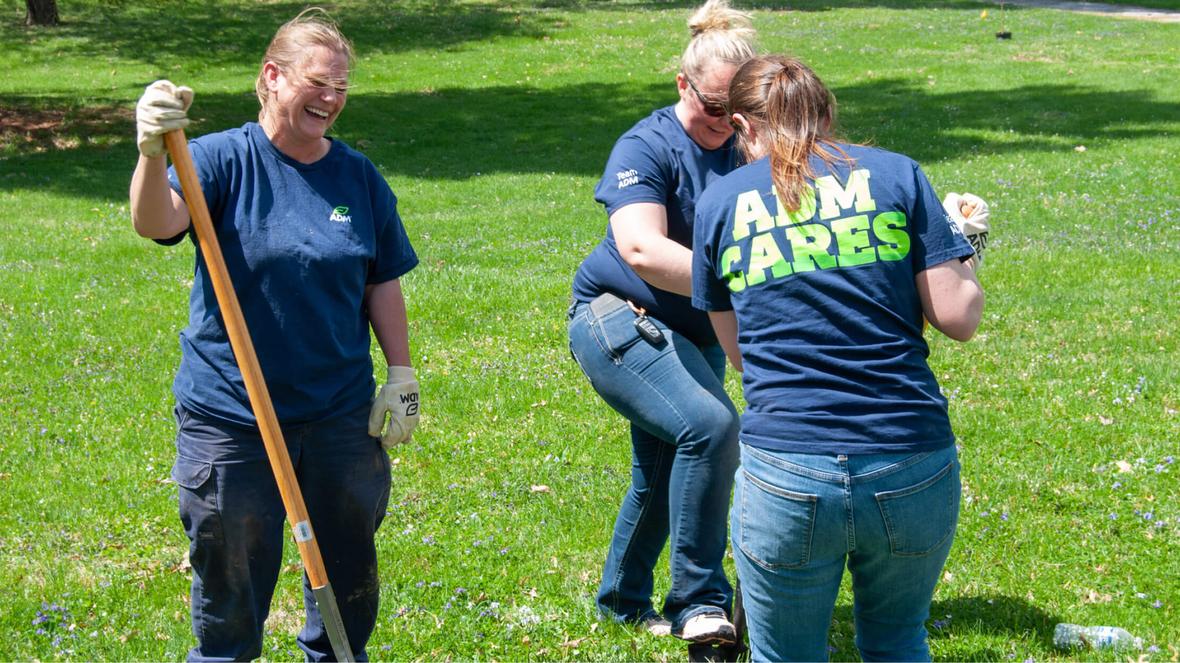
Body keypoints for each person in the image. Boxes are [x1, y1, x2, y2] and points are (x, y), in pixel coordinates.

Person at [129, 8, 419, 661]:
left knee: (347, 581)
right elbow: (157, 221)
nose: (332, 98)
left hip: (338, 414)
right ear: (272, 77)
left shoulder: (357, 177)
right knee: (229, 595)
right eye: (318, 82)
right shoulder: (223, 159)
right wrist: (151, 155)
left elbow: (381, 278)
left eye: (341, 87)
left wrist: (401, 374)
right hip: (232, 418)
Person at [691, 55, 987, 662]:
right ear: (827, 114)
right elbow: (959, 317)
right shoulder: (899, 175)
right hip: (909, 457)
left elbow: (743, 357)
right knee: (898, 640)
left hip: (787, 470)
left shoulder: (719, 204)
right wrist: (967, 248)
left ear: (745, 128)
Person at [566, 0, 757, 645]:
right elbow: (640, 249)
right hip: (617, 315)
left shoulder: (750, 148)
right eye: (712, 107)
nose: (724, 123)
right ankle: (699, 601)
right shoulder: (646, 145)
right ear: (682, 86)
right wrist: (736, 280)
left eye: (739, 112)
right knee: (710, 428)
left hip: (696, 330)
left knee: (666, 461)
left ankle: (621, 601)